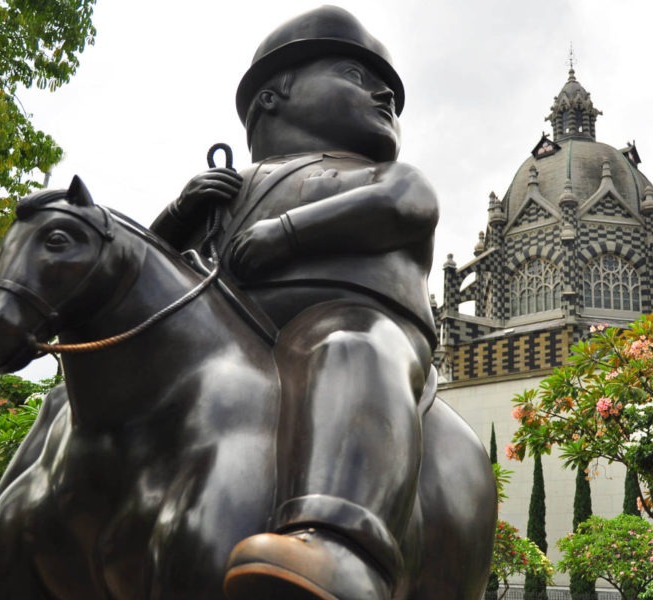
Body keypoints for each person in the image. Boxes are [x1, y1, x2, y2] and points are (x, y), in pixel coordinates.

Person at [150, 6, 439, 600]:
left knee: (348, 347)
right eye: (356, 76)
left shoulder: (384, 176)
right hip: (226, 343)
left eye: (384, 85)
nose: (384, 94)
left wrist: (287, 233)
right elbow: (148, 278)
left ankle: (338, 543)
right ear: (272, 96)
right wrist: (177, 218)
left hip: (353, 324)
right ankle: (2, 539)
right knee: (75, 395)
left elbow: (406, 203)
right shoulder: (223, 192)